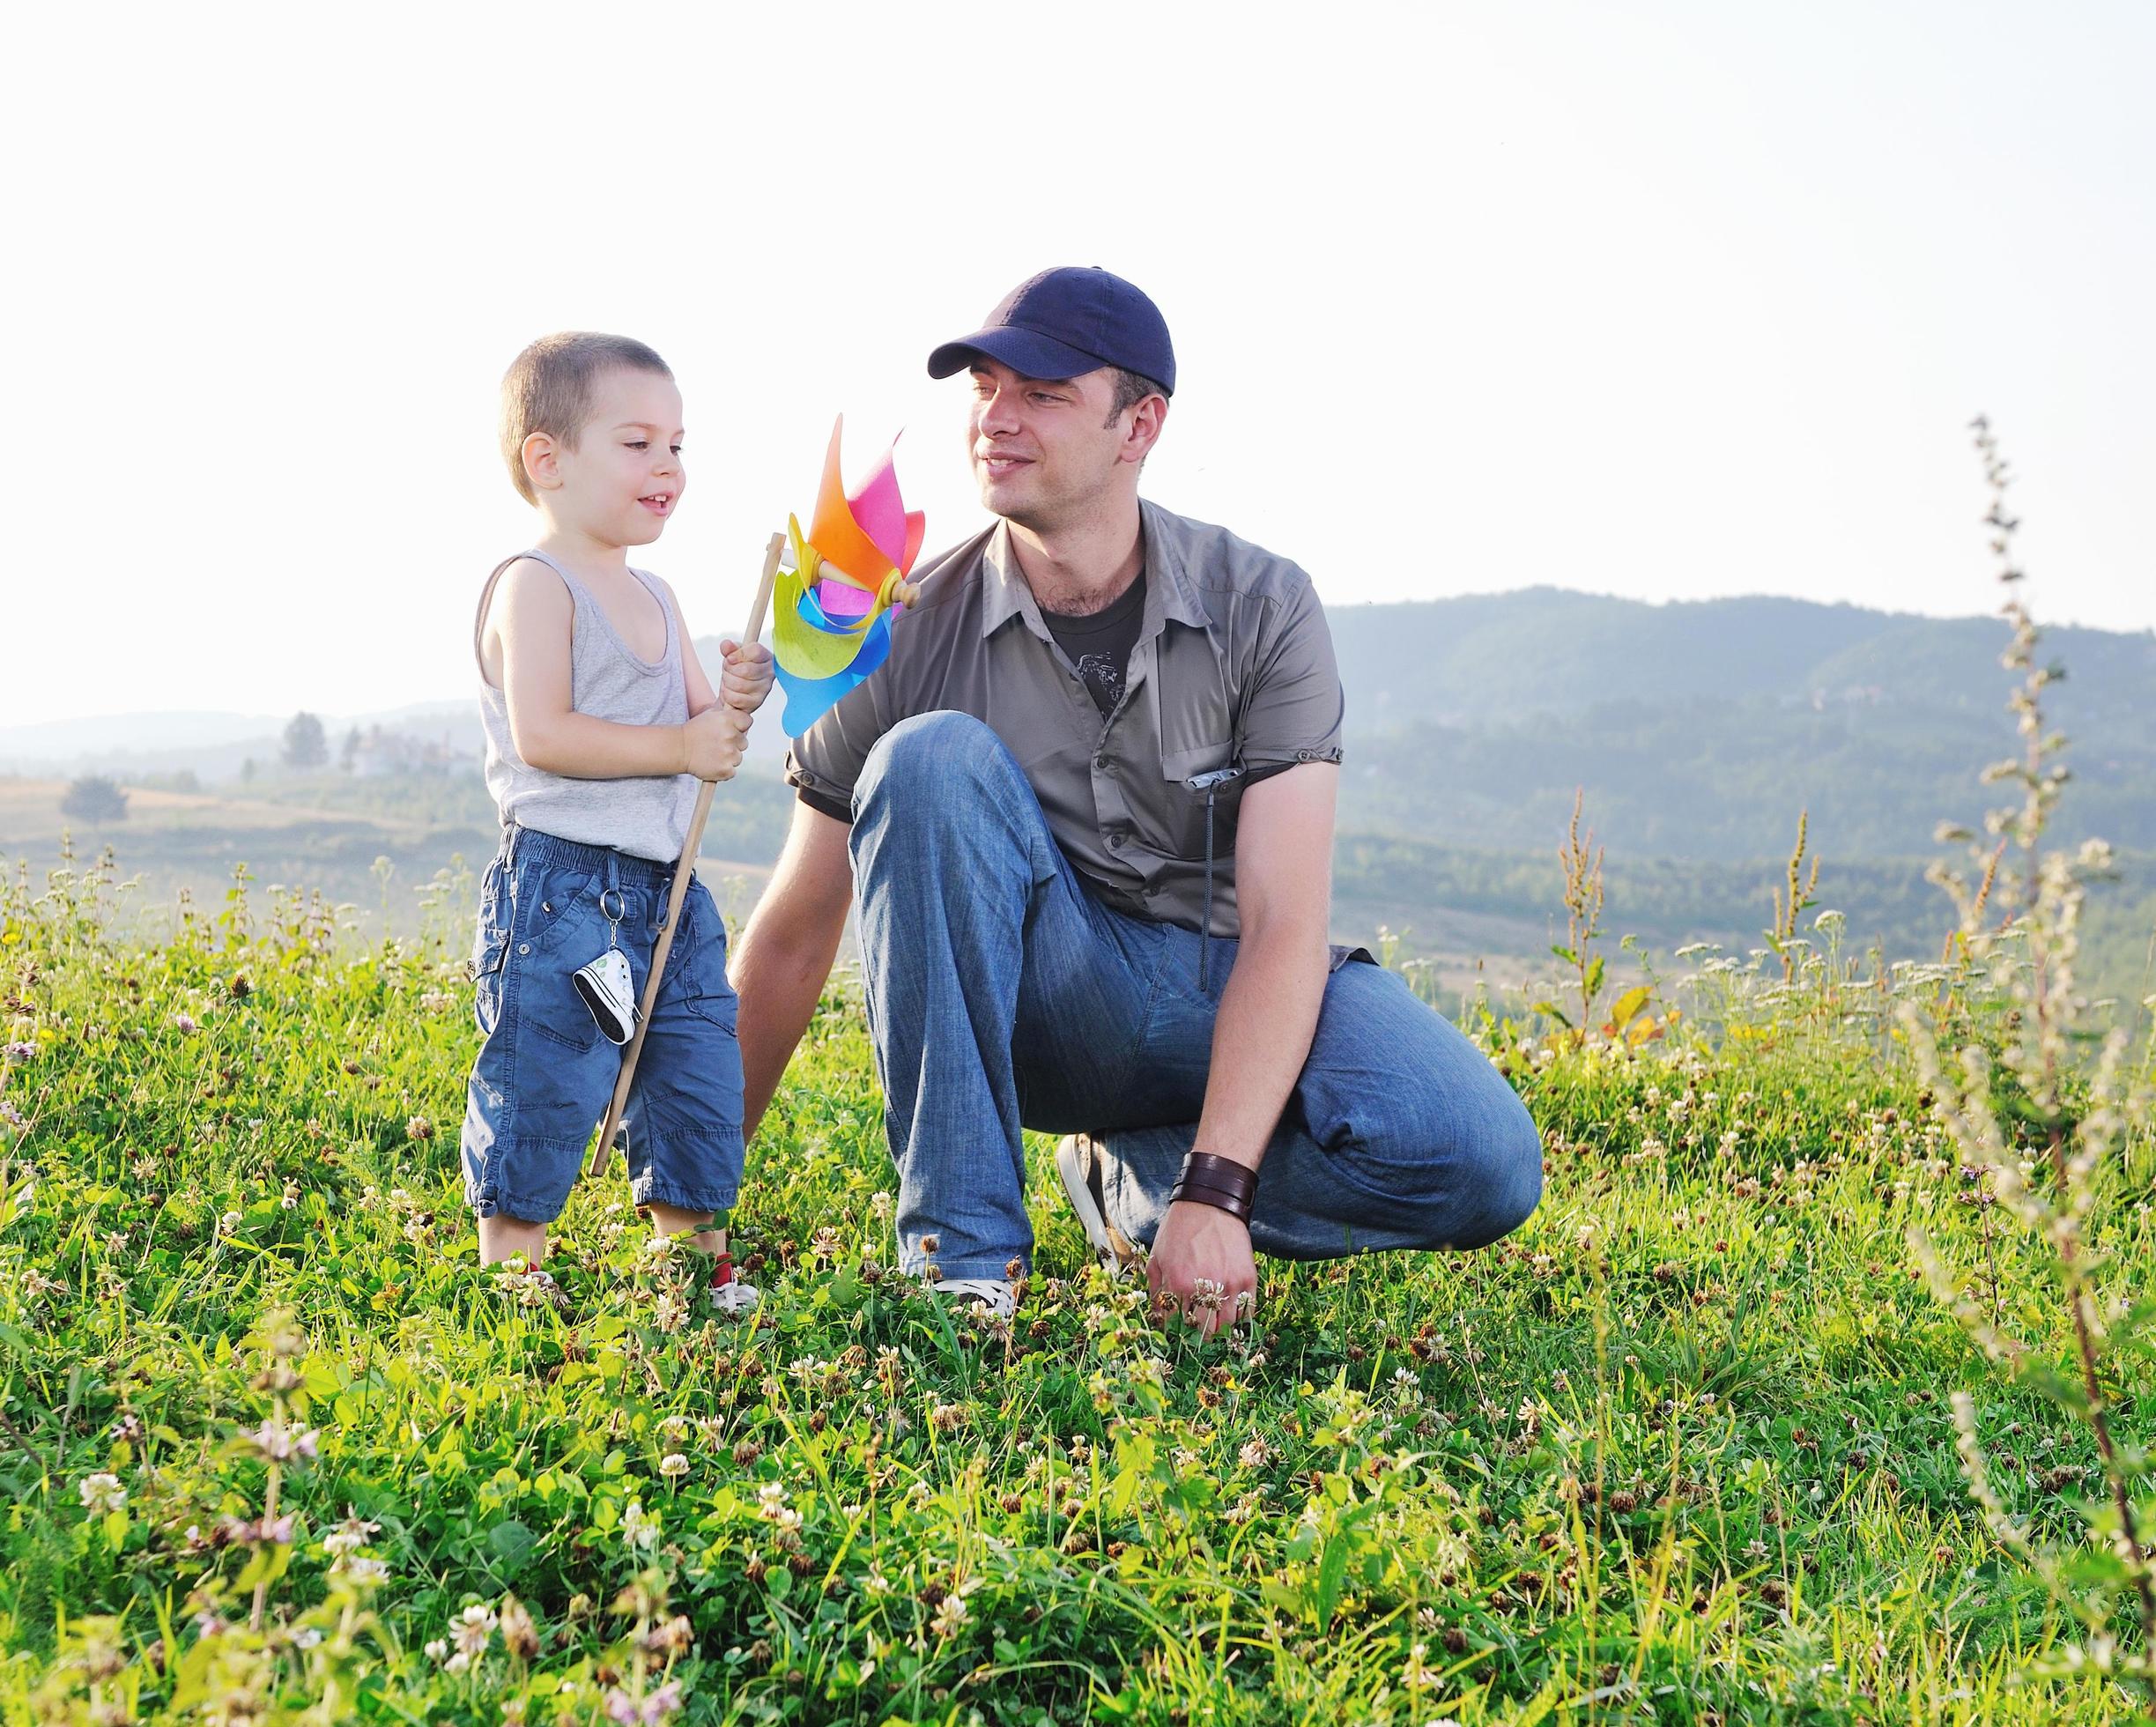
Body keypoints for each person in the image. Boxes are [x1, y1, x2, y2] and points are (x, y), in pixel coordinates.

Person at [732, 270, 1542, 1331]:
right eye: (984, 386)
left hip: (1220, 984)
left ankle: (1137, 1183)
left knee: (1477, 1155)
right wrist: (687, 1184)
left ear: (1139, 423)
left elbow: (1283, 922)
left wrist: (1214, 1190)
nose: (995, 420)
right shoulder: (901, 626)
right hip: (1043, 1001)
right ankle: (962, 1268)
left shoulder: (1262, 606)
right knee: (927, 761)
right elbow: (795, 930)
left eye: (1042, 393)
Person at [461, 331, 774, 1310]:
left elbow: (698, 729)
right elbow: (544, 732)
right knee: (545, 1070)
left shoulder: (658, 594)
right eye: (637, 444)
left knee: (692, 1068)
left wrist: (734, 698)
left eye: (677, 446)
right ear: (545, 460)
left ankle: (691, 1259)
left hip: (664, 888)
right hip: (562, 888)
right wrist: (683, 749)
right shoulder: (533, 584)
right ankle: (514, 1260)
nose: (668, 468)